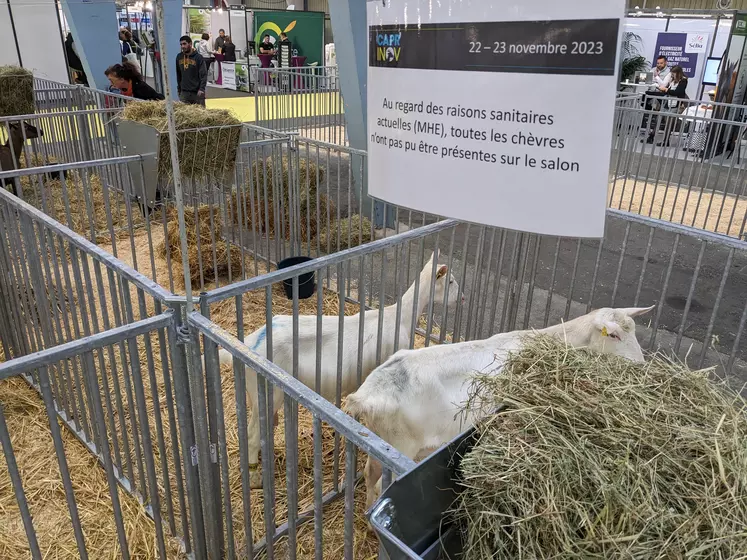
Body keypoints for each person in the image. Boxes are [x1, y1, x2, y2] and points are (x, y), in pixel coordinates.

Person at [646, 65, 688, 146]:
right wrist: (662, 89)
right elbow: (669, 90)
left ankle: (666, 141)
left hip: (674, 104)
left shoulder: (683, 81)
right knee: (658, 119)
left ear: (678, 73)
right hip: (666, 102)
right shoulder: (673, 80)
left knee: (669, 123)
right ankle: (651, 136)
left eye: (673, 74)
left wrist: (666, 90)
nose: (672, 75)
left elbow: (677, 92)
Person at [176, 35, 207, 106]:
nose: (182, 46)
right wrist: (179, 89)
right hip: (184, 93)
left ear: (190, 44)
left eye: (184, 44)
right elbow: (178, 74)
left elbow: (203, 74)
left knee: (201, 115)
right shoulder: (179, 57)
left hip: (197, 93)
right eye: (181, 44)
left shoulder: (198, 58)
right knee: (184, 115)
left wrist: (202, 89)